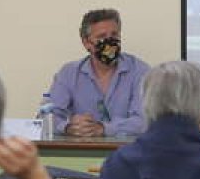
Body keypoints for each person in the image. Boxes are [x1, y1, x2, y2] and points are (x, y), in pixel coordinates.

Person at [48, 8, 149, 137]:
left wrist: (103, 128)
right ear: (86, 43)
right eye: (102, 37)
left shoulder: (140, 71)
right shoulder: (68, 74)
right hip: (81, 149)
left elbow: (144, 121)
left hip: (129, 149)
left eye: (114, 35)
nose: (110, 41)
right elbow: (47, 117)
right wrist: (68, 127)